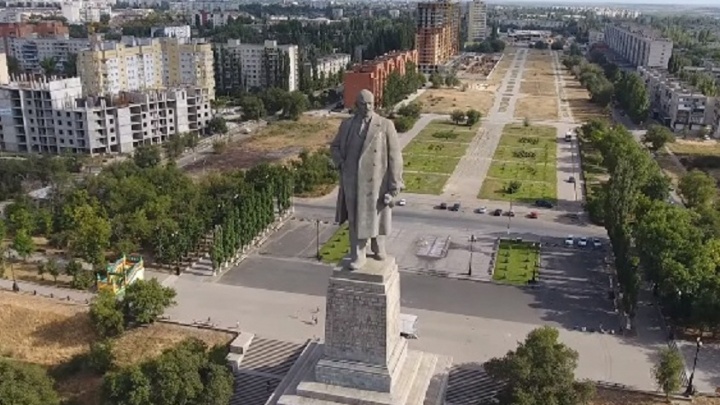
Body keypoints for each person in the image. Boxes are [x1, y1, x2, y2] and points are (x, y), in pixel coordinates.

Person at [330, 90, 404, 270]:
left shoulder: (385, 125)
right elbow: (335, 146)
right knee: (356, 218)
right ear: (357, 105)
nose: (368, 107)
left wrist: (395, 186)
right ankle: (358, 254)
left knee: (376, 215)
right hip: (352, 181)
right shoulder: (347, 125)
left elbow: (395, 157)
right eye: (363, 104)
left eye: (370, 103)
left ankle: (379, 246)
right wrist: (341, 163)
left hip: (376, 182)